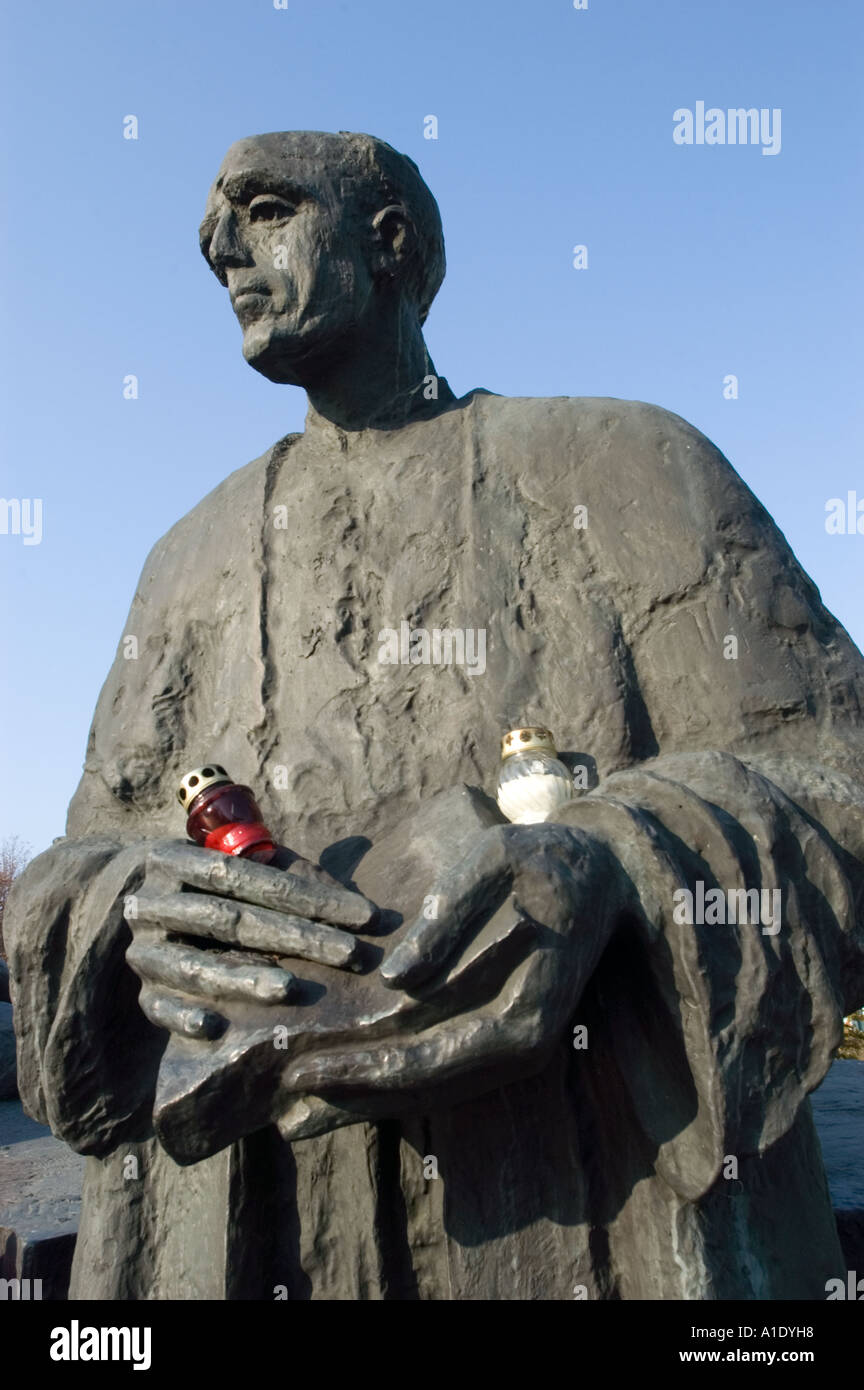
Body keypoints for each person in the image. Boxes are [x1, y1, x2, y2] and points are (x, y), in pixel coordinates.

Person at [6, 131, 864, 1300]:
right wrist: (129, 905)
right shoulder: (184, 565)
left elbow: (835, 775)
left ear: (390, 240)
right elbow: (79, 862)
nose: (221, 251)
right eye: (214, 236)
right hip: (262, 1232)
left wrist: (614, 860)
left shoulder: (627, 463)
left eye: (262, 211)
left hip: (579, 1200)